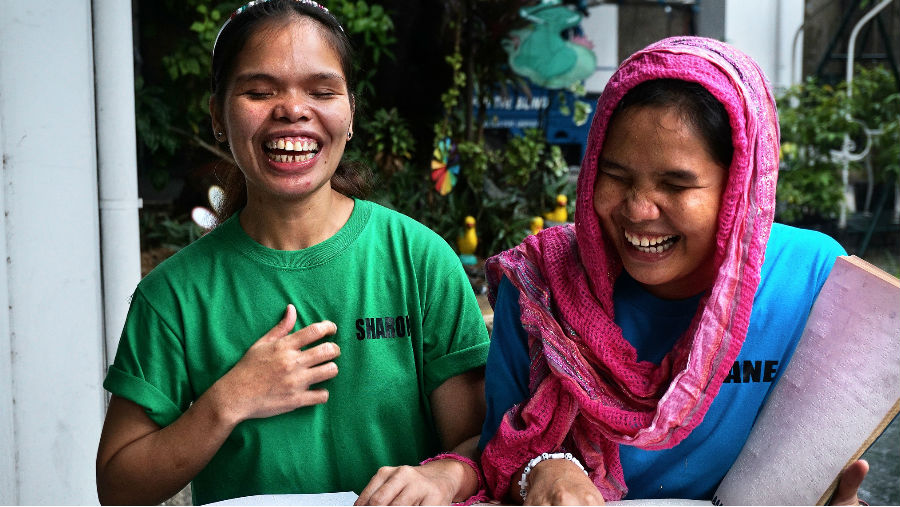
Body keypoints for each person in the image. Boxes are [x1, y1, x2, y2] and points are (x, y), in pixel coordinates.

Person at [95, 1, 489, 505]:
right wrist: (227, 401)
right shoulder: (172, 295)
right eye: (260, 92)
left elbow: (482, 446)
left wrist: (445, 476)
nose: (293, 110)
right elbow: (118, 486)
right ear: (218, 114)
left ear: (350, 113)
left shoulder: (419, 261)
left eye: (322, 91)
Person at [478, 36, 869, 505]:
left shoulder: (813, 281)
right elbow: (499, 449)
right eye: (616, 176)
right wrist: (547, 468)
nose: (638, 210)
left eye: (676, 184)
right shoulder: (542, 286)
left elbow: (828, 466)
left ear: (740, 186)